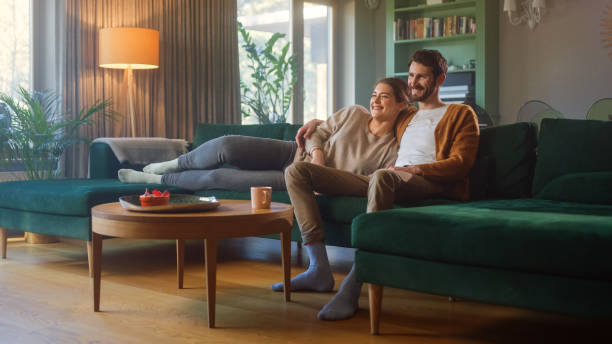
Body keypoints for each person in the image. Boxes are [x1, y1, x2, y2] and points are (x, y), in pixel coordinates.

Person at [275, 49, 480, 321]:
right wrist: (318, 123)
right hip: (387, 179)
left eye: (422, 77)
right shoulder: (406, 115)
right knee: (297, 172)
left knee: (384, 176)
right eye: (411, 76)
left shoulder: (460, 113)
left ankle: (355, 280)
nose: (413, 82)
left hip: (427, 181)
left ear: (440, 79)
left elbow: (462, 162)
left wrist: (417, 168)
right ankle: (318, 267)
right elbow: (368, 117)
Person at [118, 77, 413, 193]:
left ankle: (156, 180)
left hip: (300, 178)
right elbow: (316, 133)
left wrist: (319, 174)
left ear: (403, 104)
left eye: (385, 97)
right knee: (227, 145)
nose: (376, 100)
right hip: (293, 153)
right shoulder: (354, 113)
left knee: (218, 180)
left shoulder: (395, 149)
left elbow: (370, 181)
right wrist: (317, 154)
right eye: (374, 94)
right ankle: (175, 163)